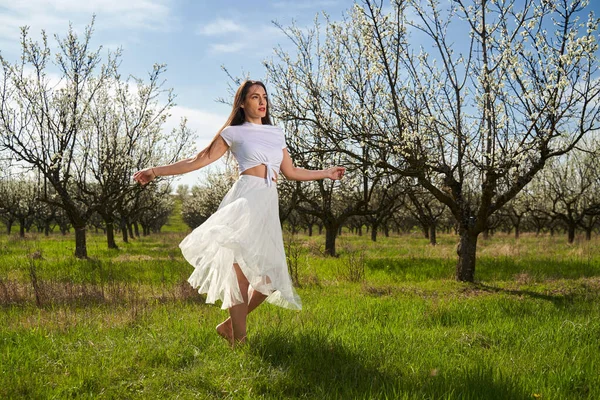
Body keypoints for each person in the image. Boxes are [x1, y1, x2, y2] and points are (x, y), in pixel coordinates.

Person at [133, 80, 345, 347]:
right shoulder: (234, 133)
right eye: (255, 97)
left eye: (264, 96)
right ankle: (240, 341)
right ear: (243, 103)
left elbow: (291, 172)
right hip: (245, 200)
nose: (261, 101)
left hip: (268, 205)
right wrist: (155, 171)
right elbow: (198, 160)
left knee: (270, 279)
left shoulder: (276, 133)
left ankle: (228, 326)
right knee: (240, 276)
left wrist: (325, 173)